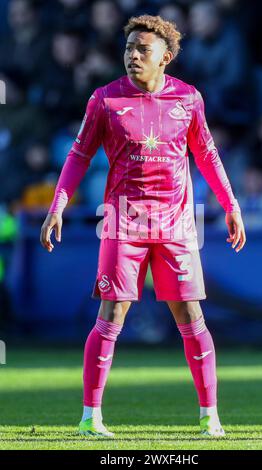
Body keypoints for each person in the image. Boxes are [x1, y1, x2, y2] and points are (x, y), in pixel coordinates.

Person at [40, 15, 246, 438]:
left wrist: (231, 204)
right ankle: (90, 417)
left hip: (176, 225)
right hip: (122, 224)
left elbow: (206, 155)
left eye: (143, 50)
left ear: (165, 58)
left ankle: (210, 416)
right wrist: (58, 205)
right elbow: (79, 155)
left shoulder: (189, 99)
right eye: (129, 47)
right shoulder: (105, 100)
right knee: (111, 314)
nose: (132, 55)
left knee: (191, 315)